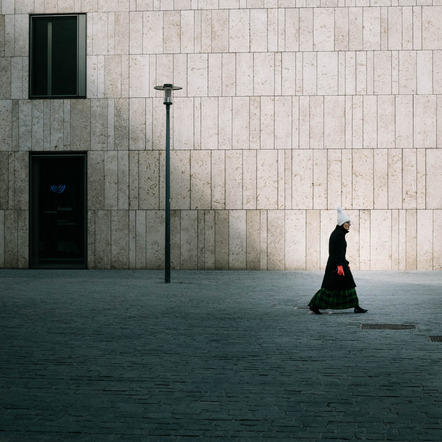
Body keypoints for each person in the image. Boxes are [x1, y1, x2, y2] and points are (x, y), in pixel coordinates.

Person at [308, 207, 367, 315]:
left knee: (338, 286)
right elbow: (337, 252)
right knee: (335, 286)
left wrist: (345, 264)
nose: (349, 224)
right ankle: (315, 305)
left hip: (337, 263)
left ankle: (356, 306)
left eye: (349, 222)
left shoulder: (338, 233)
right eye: (347, 223)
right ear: (342, 223)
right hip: (337, 264)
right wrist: (340, 266)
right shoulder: (339, 235)